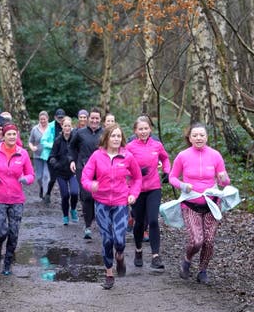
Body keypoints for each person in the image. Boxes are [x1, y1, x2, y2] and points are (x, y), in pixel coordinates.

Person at [80, 123, 142, 289]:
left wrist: (133, 194)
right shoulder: (96, 156)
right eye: (113, 136)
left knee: (120, 240)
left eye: (118, 136)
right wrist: (91, 185)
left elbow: (137, 178)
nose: (116, 139)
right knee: (107, 240)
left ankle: (120, 256)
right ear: (106, 138)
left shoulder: (127, 156)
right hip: (101, 203)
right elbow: (85, 177)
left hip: (121, 202)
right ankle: (109, 273)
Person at [168, 123, 230, 284]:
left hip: (211, 204)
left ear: (206, 137)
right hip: (190, 205)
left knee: (209, 241)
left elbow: (224, 181)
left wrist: (223, 179)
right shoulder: (183, 156)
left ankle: (202, 271)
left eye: (201, 135)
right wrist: (183, 185)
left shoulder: (215, 155)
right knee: (197, 240)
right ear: (190, 138)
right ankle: (187, 259)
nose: (198, 138)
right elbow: (172, 177)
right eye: (195, 135)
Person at [0, 123, 34, 275]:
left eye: (14, 134)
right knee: (0, 232)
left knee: (14, 232)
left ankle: (8, 263)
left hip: (16, 199)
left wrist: (26, 179)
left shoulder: (22, 153)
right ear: (3, 136)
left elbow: (31, 174)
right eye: (9, 134)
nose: (12, 137)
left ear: (17, 136)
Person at [125, 116, 170, 270]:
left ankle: (156, 256)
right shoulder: (129, 147)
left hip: (153, 188)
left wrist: (167, 171)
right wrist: (135, 172)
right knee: (138, 222)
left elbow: (165, 158)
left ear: (150, 129)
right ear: (135, 131)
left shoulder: (157, 145)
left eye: (146, 128)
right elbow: (122, 166)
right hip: (136, 190)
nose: (143, 131)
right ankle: (138, 250)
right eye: (140, 129)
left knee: (153, 221)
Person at [69, 107, 103, 239]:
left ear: (100, 120)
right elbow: (71, 147)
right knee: (87, 196)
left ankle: (98, 221)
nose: (94, 120)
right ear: (88, 119)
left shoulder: (105, 133)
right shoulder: (80, 133)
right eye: (92, 118)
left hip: (101, 169)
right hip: (82, 168)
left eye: (97, 118)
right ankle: (88, 225)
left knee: (99, 195)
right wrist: (72, 160)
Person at [48, 116, 79, 225]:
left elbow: (79, 153)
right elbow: (51, 155)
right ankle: (65, 215)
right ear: (62, 127)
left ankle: (73, 209)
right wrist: (55, 164)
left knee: (75, 193)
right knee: (65, 195)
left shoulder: (75, 139)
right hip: (60, 172)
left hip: (73, 172)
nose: (67, 128)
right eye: (65, 126)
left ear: (72, 127)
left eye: (69, 126)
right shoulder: (57, 140)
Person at [39, 108, 66, 204]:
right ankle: (47, 193)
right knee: (53, 176)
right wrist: (53, 145)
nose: (60, 119)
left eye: (62, 117)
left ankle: (64, 197)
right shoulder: (50, 127)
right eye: (58, 118)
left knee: (64, 176)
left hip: (63, 155)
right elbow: (43, 141)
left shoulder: (67, 125)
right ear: (55, 117)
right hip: (51, 155)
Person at [28, 111, 50, 199]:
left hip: (48, 155)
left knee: (46, 175)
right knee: (39, 177)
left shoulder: (51, 129)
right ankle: (41, 188)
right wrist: (32, 147)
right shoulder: (35, 129)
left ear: (47, 119)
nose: (43, 121)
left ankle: (46, 194)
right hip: (37, 155)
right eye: (41, 119)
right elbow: (30, 141)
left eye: (44, 119)